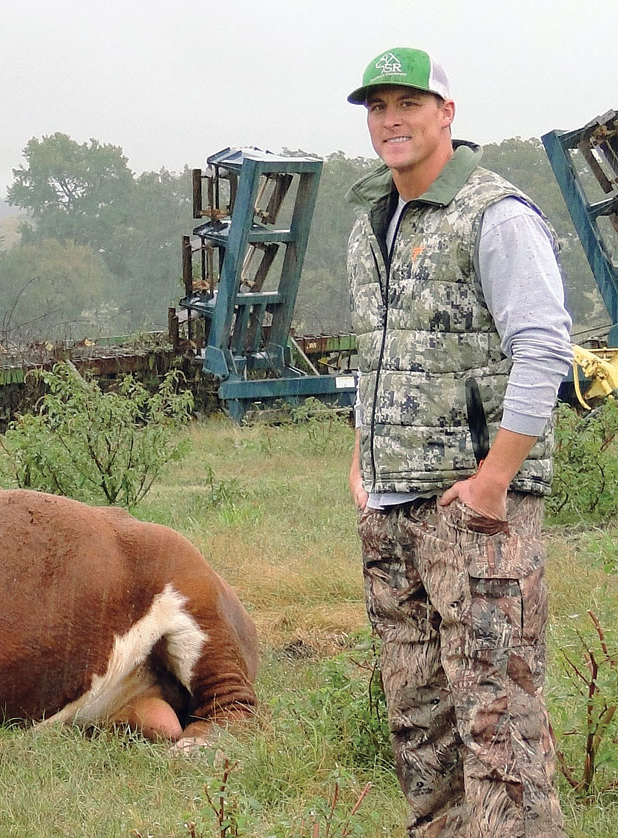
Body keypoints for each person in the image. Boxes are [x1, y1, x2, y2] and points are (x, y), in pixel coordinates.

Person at [345, 47, 572, 837]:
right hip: (392, 512)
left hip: (472, 515)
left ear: (447, 113)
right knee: (422, 735)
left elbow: (545, 347)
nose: (391, 119)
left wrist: (494, 481)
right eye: (378, 107)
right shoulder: (372, 224)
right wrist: (361, 461)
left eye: (409, 102)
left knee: (498, 725)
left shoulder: (495, 214)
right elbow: (374, 353)